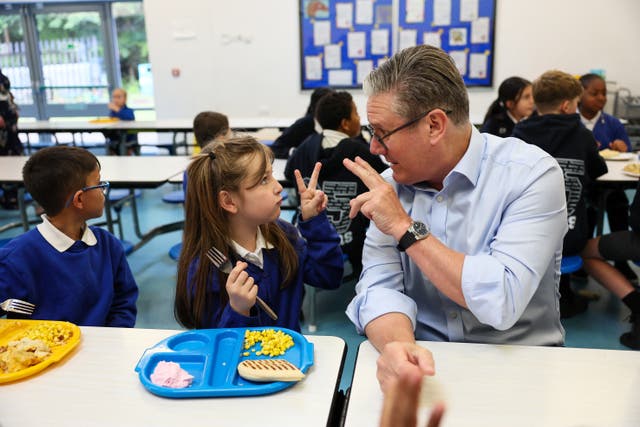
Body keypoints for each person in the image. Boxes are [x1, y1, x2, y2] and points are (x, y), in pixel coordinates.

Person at [342, 45, 567, 390]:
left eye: (382, 133)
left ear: (434, 125)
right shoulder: (391, 188)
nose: (374, 148)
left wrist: (405, 228)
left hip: (522, 362)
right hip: (426, 360)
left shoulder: (531, 175)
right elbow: (379, 285)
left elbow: (501, 300)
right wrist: (397, 346)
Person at [174, 136, 343, 331]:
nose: (278, 187)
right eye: (264, 180)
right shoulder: (205, 267)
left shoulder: (284, 236)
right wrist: (238, 309)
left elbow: (329, 276)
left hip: (291, 358)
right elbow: (218, 346)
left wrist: (314, 223)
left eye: (271, 175)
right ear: (229, 201)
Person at [0, 146, 138, 326]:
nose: (104, 189)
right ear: (79, 199)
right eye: (99, 184)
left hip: (105, 349)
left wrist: (114, 336)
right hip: (44, 352)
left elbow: (124, 302)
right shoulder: (16, 258)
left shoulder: (108, 245)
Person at [512, 70, 613, 317]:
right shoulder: (582, 135)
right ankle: (564, 294)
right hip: (571, 237)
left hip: (523, 237)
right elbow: (599, 169)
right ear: (568, 106)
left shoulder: (520, 133)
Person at [285, 91, 387, 276]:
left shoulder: (305, 147)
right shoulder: (359, 152)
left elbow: (288, 173)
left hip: (311, 235)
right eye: (356, 113)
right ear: (345, 123)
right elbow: (384, 181)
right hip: (355, 241)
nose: (359, 118)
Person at [579, 73, 637, 283]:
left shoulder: (612, 123)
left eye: (603, 93)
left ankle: (621, 261)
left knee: (619, 203)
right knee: (584, 210)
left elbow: (627, 150)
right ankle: (581, 257)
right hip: (584, 183)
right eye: (594, 93)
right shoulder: (572, 121)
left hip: (610, 181)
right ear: (580, 94)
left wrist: (622, 148)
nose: (601, 98)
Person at [270, 87, 334, 159]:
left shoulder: (334, 123)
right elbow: (275, 148)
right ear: (317, 107)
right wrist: (296, 153)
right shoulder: (304, 124)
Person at [0, 68, 22, 209]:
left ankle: (13, 196)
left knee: (16, 161)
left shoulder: (3, 78)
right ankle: (9, 196)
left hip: (10, 134)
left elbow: (6, 95)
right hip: (4, 135)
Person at [106, 87, 138, 155]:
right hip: (115, 138)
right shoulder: (112, 112)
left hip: (128, 138)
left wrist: (117, 109)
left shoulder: (129, 111)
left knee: (123, 147)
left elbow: (129, 117)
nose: (116, 100)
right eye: (114, 97)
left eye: (118, 97)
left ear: (125, 99)